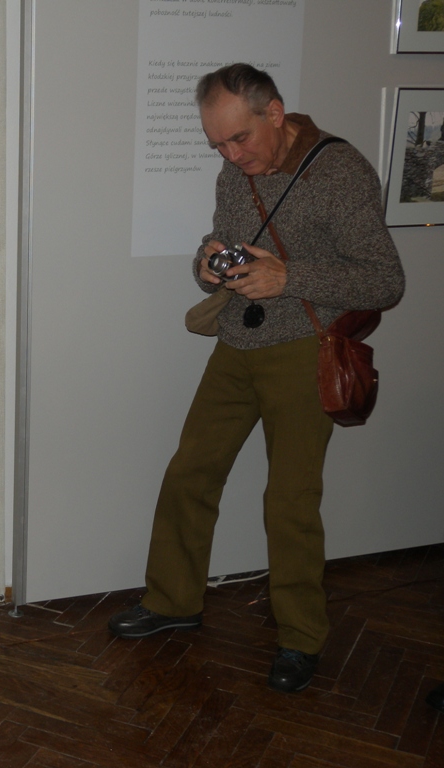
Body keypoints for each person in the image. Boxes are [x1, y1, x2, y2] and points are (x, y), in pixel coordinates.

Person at [108, 64, 405, 693]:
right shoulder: (233, 171)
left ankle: (300, 639)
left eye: (238, 139)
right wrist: (209, 264)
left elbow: (385, 280)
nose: (230, 155)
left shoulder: (339, 172)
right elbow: (225, 244)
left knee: (290, 500)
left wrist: (289, 279)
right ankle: (172, 601)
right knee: (190, 471)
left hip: (303, 351)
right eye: (216, 144)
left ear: (275, 112)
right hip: (237, 343)